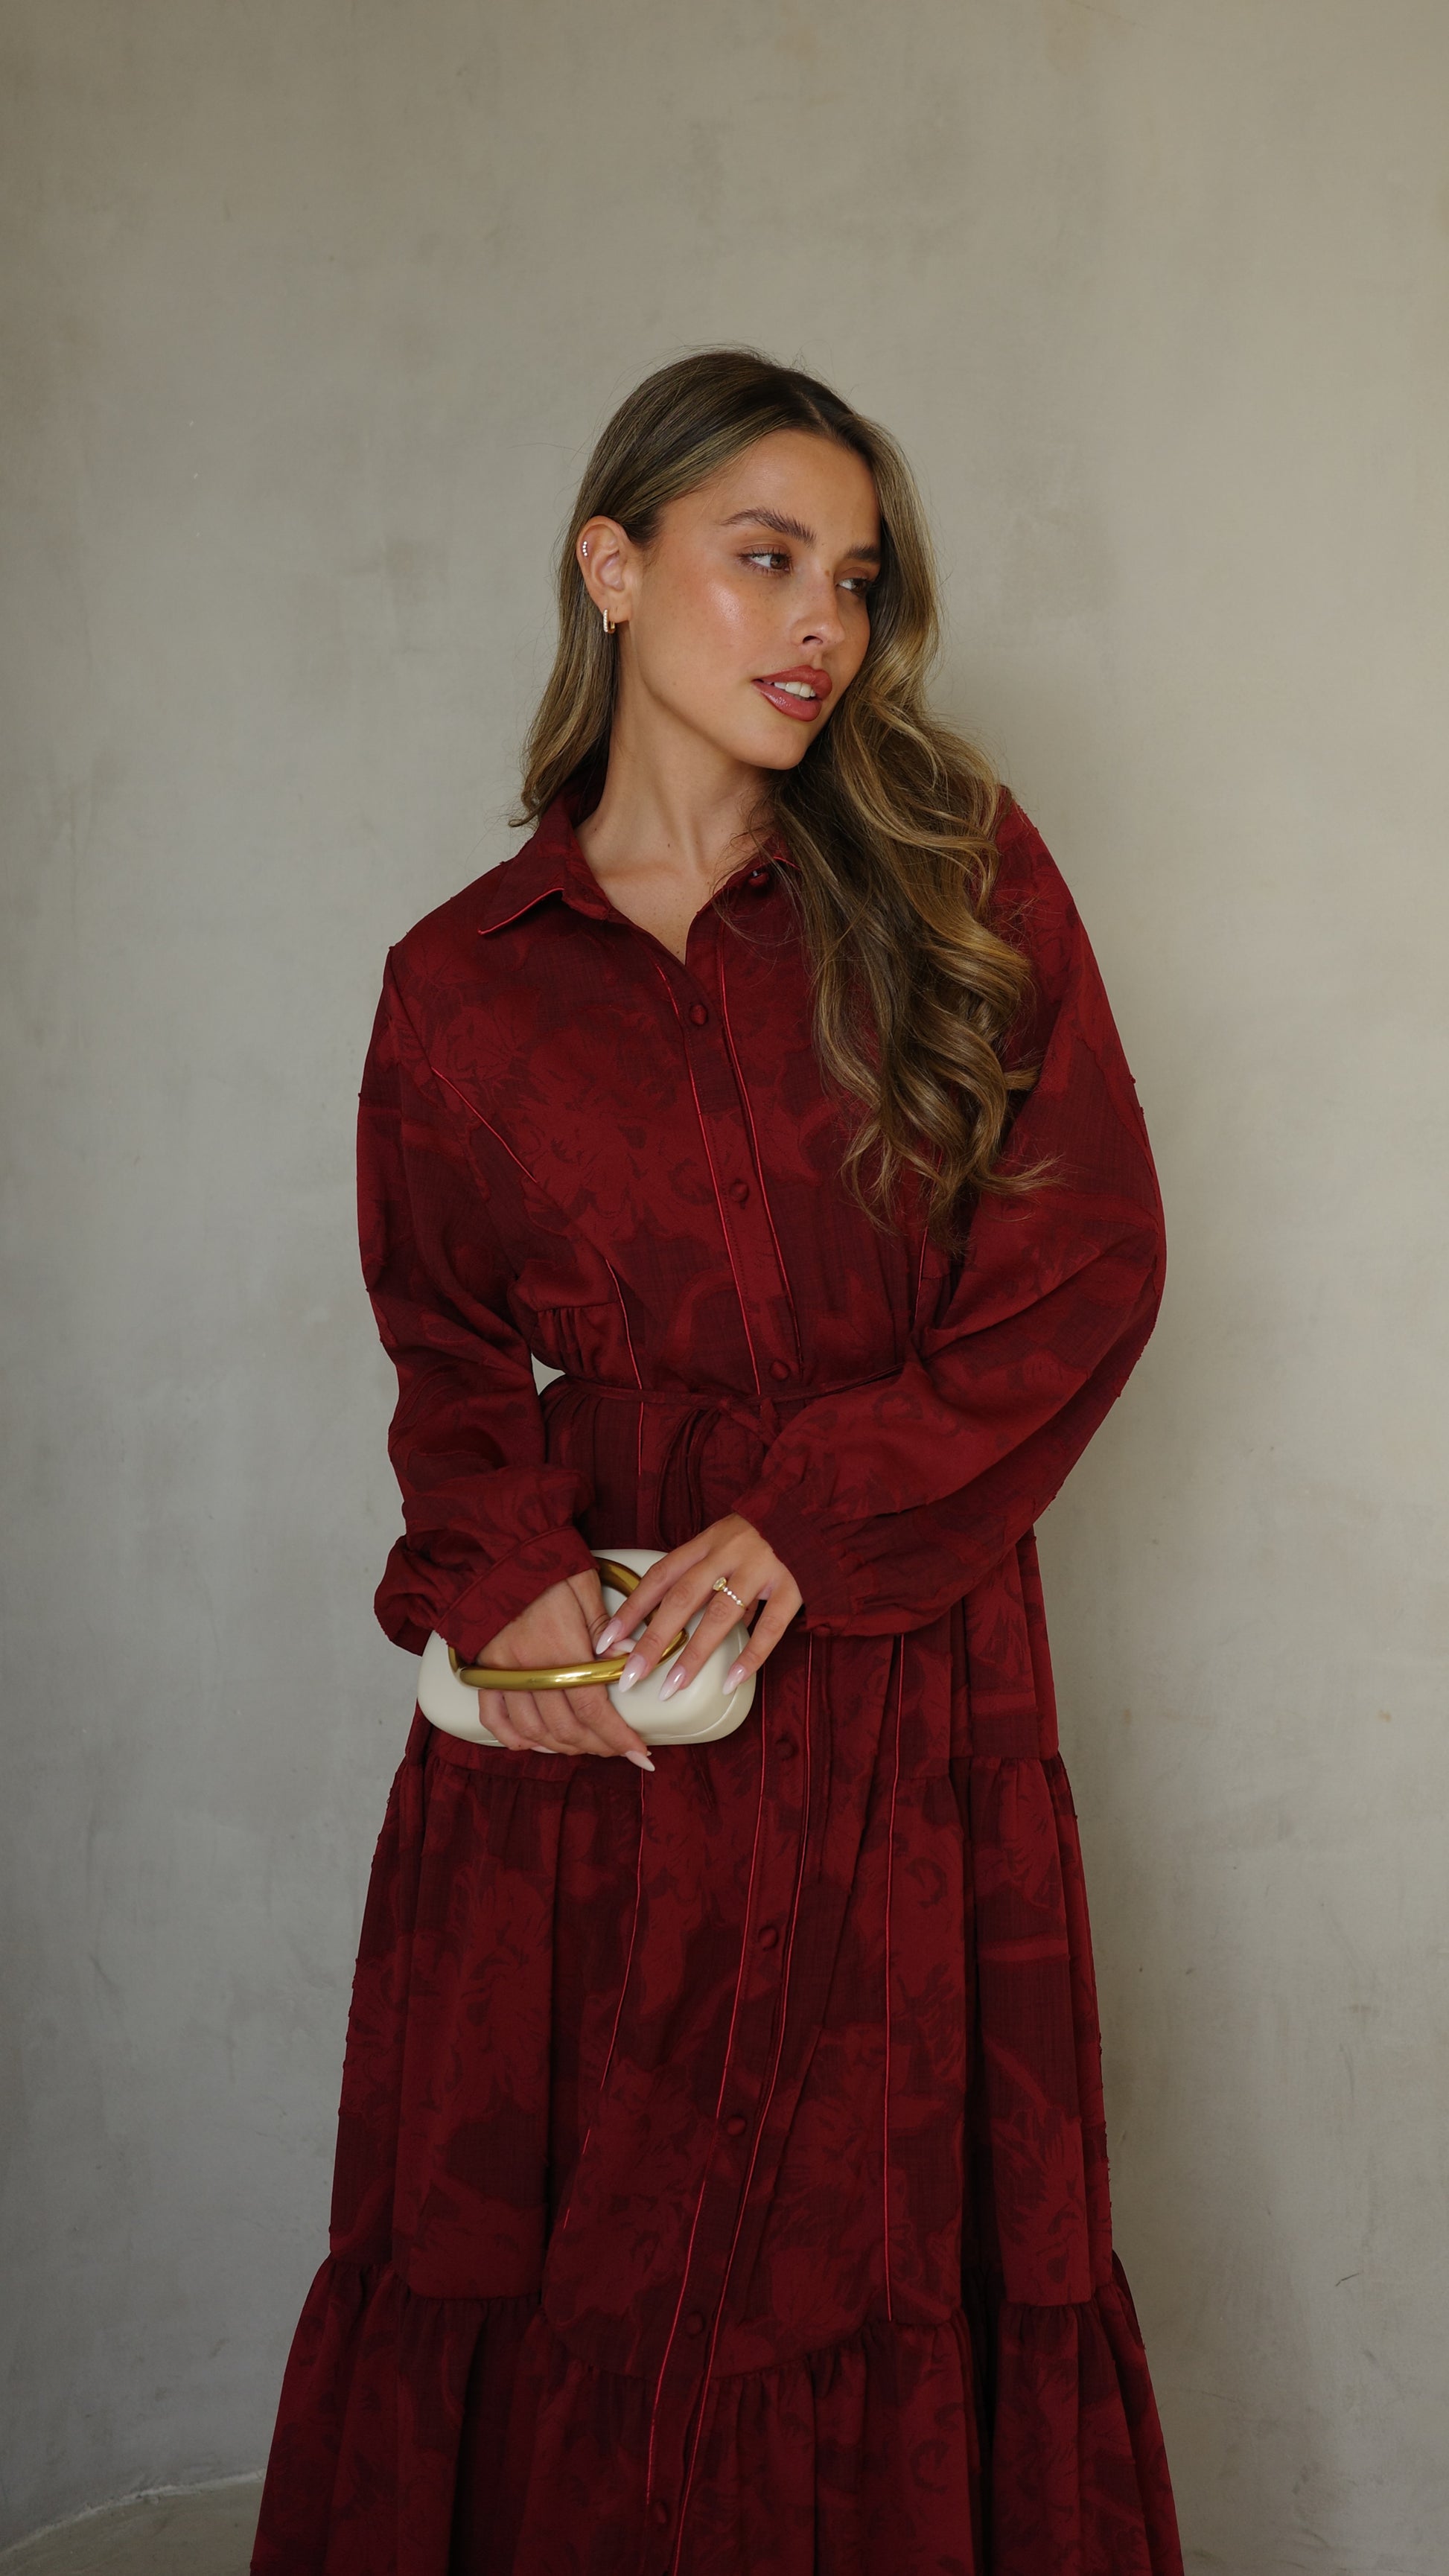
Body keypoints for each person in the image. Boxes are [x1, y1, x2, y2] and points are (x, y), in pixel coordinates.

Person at [252, 348, 1183, 2576]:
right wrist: (502, 1572)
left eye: (854, 580)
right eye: (763, 558)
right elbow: (442, 1344)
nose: (818, 626)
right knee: (580, 2243)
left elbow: (1085, 1259)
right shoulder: (459, 986)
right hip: (602, 1733)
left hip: (895, 1687)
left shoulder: (954, 881)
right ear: (611, 565)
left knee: (864, 2247)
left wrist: (816, 1518)